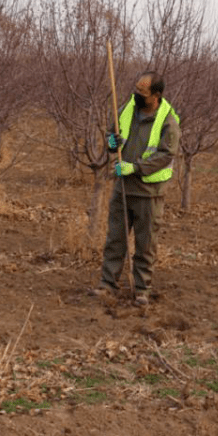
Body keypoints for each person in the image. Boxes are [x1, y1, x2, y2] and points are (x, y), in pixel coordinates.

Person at [89, 71, 180, 306]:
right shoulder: (128, 109)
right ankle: (107, 284)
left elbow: (165, 155)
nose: (136, 94)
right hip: (123, 189)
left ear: (156, 95)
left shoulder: (168, 121)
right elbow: (113, 133)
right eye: (136, 89)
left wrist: (135, 167)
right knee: (115, 240)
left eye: (142, 92)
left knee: (145, 244)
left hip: (149, 193)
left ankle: (142, 289)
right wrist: (112, 142)